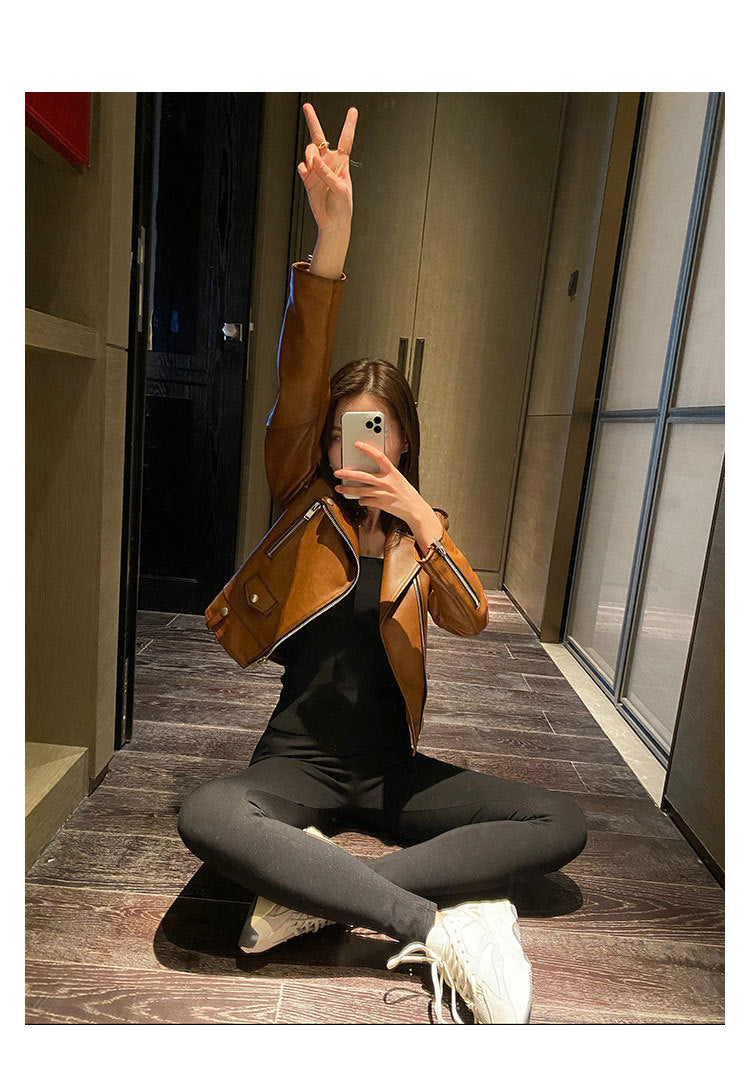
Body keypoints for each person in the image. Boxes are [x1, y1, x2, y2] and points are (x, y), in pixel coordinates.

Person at [177, 102, 588, 1025]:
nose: (354, 445)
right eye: (341, 431)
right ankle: (425, 921)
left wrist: (420, 518)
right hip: (296, 763)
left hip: (390, 771)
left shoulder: (418, 533)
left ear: (403, 438)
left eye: (376, 430)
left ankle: (313, 892)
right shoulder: (300, 501)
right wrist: (334, 238)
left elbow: (473, 616)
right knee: (208, 812)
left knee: (561, 821)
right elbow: (301, 370)